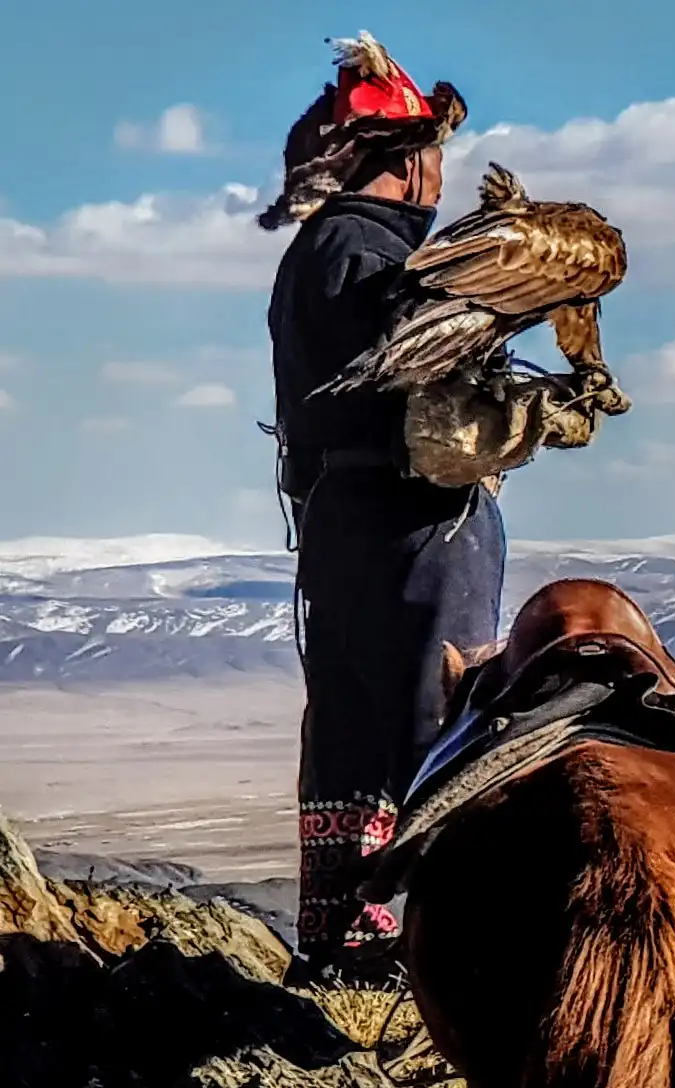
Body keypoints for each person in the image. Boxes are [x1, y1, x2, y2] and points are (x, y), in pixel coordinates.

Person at [262, 35, 501, 982]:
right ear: (406, 163)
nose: (442, 175)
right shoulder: (375, 253)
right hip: (412, 521)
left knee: (353, 718)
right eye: (435, 155)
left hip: (340, 520)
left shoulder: (319, 251)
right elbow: (423, 378)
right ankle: (449, 942)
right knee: (437, 715)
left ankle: (341, 934)